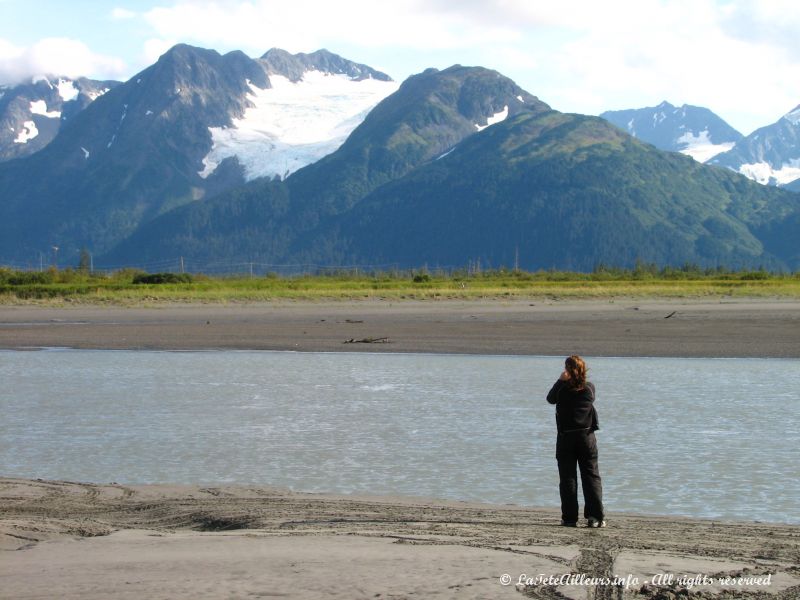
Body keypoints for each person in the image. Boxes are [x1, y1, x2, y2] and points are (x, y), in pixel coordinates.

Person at [546, 355, 605, 528]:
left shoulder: (562, 390)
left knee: (568, 478)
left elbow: (550, 399)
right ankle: (595, 517)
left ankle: (570, 518)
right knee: (591, 476)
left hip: (566, 438)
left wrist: (560, 380)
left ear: (567, 370)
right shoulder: (589, 388)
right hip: (586, 437)